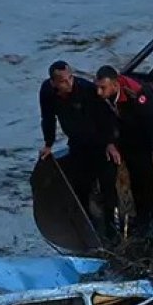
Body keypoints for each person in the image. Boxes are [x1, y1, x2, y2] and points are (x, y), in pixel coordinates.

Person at [39, 60, 120, 238]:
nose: (69, 83)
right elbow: (48, 118)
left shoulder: (87, 90)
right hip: (77, 143)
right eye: (63, 81)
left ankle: (112, 228)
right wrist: (48, 143)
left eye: (70, 78)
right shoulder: (47, 92)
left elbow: (107, 118)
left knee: (108, 185)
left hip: (99, 143)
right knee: (80, 185)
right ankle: (87, 224)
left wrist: (110, 143)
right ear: (53, 83)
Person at [93, 65, 153, 233]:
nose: (98, 92)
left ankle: (149, 213)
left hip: (145, 131)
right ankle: (142, 213)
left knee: (145, 174)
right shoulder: (103, 97)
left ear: (114, 85)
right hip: (126, 131)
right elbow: (102, 120)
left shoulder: (136, 94)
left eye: (102, 88)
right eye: (97, 87)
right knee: (135, 173)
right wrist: (110, 142)